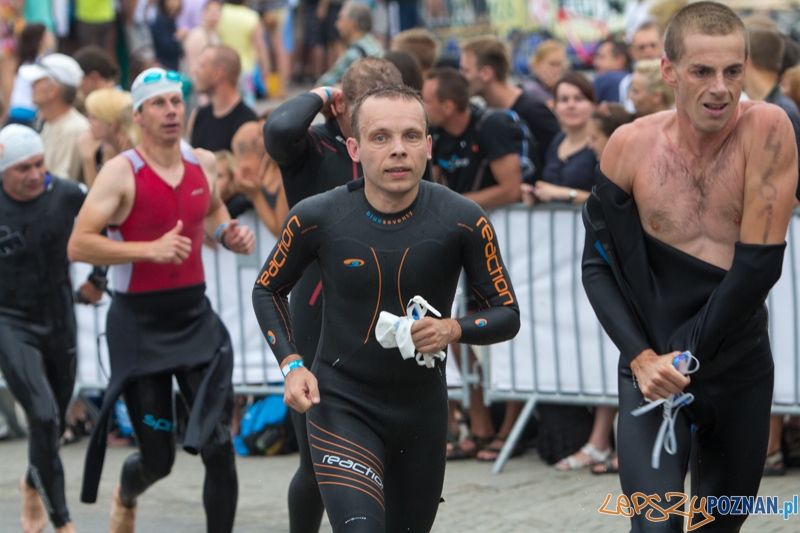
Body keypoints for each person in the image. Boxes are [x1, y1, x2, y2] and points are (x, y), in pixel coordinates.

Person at [253, 83, 520, 532]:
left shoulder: (463, 218)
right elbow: (267, 289)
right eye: (381, 138)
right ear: (354, 148)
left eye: (411, 136)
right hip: (342, 404)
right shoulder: (318, 215)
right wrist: (292, 364)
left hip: (422, 413)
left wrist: (453, 329)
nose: (398, 150)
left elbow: (506, 312)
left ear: (429, 146)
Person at [581, 3, 797, 531]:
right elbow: (597, 267)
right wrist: (641, 358)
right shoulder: (629, 146)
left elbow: (758, 266)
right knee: (654, 525)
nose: (720, 87)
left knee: (716, 525)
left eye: (733, 71)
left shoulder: (766, 129)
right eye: (702, 71)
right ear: (669, 71)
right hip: (651, 367)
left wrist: (688, 356)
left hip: (733, 364)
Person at [68, 67, 256, 533]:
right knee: (158, 460)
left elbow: (210, 208)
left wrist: (226, 232)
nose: (171, 111)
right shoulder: (120, 173)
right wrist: (144, 250)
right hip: (138, 326)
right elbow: (79, 244)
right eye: (159, 103)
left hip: (194, 317)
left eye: (176, 101)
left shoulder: (203, 163)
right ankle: (125, 493)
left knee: (218, 446)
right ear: (138, 115)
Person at [263, 56, 402, 533]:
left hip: (383, 311)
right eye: (369, 115)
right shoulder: (317, 148)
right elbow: (279, 129)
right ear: (343, 109)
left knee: (392, 462)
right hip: (319, 314)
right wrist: (324, 95)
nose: (382, 130)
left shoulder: (397, 150)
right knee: (318, 464)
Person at [0, 123, 104, 533]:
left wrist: (98, 279)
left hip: (59, 317)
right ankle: (63, 521)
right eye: (23, 168)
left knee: (55, 421)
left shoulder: (65, 193)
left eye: (39, 164)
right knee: (41, 417)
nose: (34, 174)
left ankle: (32, 478)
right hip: (10, 322)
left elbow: (105, 224)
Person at [536, 103, 632, 473]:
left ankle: (619, 442)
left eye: (595, 138)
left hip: (631, 275)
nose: (590, 145)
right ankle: (602, 440)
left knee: (625, 353)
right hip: (610, 272)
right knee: (611, 352)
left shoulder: (628, 164)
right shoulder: (604, 167)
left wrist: (565, 194)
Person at [743, 27, 800, 476]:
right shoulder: (772, 107)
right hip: (770, 243)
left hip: (777, 243)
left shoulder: (779, 112)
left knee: (775, 336)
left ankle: (772, 444)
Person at [459, 35, 561, 173]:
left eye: (465, 71)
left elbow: (559, 160)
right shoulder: (486, 112)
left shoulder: (533, 111)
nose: (460, 77)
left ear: (486, 73)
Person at [522, 72, 597, 205]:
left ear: (593, 105)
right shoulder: (557, 141)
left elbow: (607, 201)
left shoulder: (602, 144)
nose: (571, 105)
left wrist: (566, 193)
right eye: (563, 100)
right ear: (554, 107)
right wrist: (535, 194)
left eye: (579, 99)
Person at [20, 53, 90, 182]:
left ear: (53, 90)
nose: (31, 86)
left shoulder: (73, 129)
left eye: (37, 81)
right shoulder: (48, 122)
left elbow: (61, 187)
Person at [187, 45, 257, 152]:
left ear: (217, 74)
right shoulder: (198, 116)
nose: (195, 71)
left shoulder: (247, 123)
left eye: (202, 66)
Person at [230, 119, 288, 235]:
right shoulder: (266, 167)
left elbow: (281, 231)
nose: (256, 139)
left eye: (261, 134)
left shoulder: (284, 178)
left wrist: (255, 195)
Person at [77, 88, 140, 187]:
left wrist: (88, 159)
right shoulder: (106, 148)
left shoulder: (133, 153)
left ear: (112, 125)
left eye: (93, 117)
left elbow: (98, 199)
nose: (88, 121)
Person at [316, 1, 383, 88]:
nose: (337, 24)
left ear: (352, 23)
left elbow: (322, 85)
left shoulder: (354, 53)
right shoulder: (374, 43)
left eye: (341, 19)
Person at [216, 0, 270, 106]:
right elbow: (260, 45)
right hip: (245, 70)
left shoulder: (220, 13)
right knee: (247, 107)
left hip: (222, 68)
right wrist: (265, 68)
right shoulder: (251, 16)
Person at [523, 40, 566, 107]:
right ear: (537, 65)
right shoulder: (531, 88)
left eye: (559, 64)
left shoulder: (561, 86)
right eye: (552, 64)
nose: (556, 69)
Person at [592, 38, 631, 104]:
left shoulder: (604, 79)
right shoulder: (637, 79)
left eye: (602, 57)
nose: (595, 63)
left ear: (619, 60)